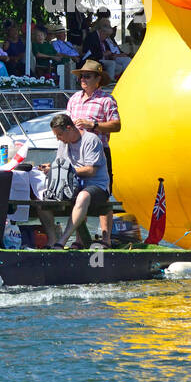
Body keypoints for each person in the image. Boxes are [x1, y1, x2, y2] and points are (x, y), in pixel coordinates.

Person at [66, 59, 121, 244]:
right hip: (77, 151)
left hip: (100, 152)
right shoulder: (73, 99)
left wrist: (93, 125)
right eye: (82, 76)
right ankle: (80, 239)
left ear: (98, 79)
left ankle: (106, 238)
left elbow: (117, 125)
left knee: (103, 196)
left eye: (87, 76)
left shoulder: (106, 100)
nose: (83, 79)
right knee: (78, 192)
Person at [37, 113, 111, 249]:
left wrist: (67, 170)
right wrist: (50, 167)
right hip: (71, 186)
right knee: (41, 197)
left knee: (83, 196)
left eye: (59, 135)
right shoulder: (63, 143)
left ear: (69, 128)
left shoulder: (91, 140)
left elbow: (91, 170)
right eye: (56, 136)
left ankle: (63, 241)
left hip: (96, 186)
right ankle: (53, 240)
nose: (58, 139)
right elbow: (61, 164)